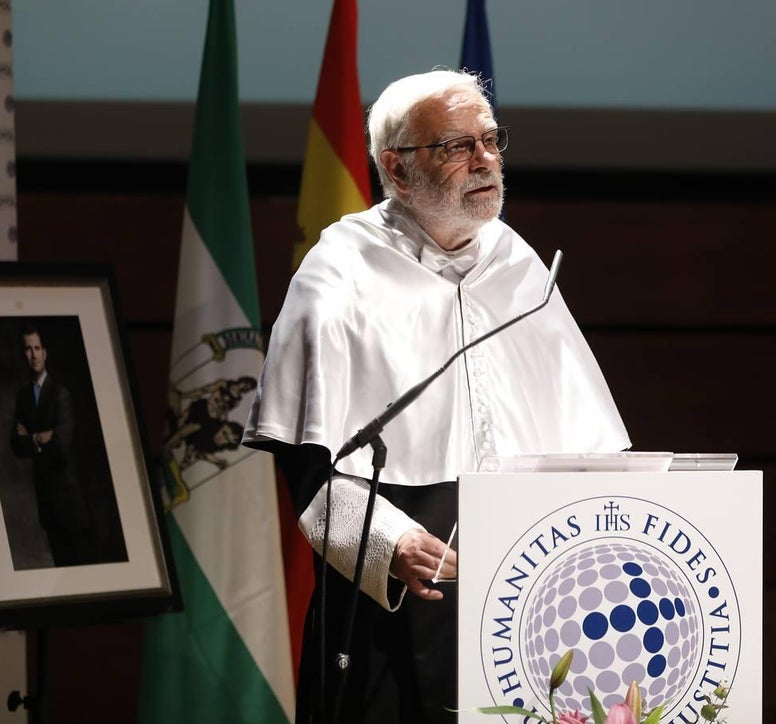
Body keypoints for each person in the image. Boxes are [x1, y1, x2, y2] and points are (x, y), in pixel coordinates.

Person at [243, 69, 631, 723]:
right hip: (397, 596)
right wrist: (388, 544)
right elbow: (305, 459)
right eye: (456, 146)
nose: (485, 161)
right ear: (396, 170)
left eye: (490, 140)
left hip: (525, 583)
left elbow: (589, 438)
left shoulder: (518, 265)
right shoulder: (339, 271)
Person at [10, 326, 94, 567]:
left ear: (45, 353)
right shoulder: (22, 397)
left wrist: (31, 439)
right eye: (28, 349)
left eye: (37, 348)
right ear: (23, 355)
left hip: (69, 505)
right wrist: (40, 438)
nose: (33, 355)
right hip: (47, 503)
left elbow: (62, 444)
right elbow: (16, 445)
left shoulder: (60, 394)